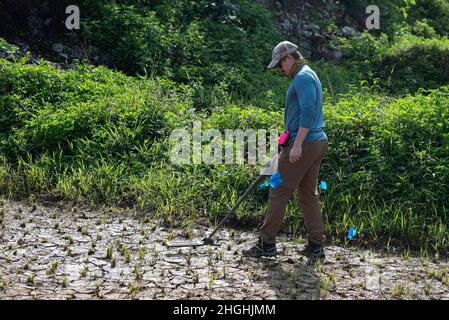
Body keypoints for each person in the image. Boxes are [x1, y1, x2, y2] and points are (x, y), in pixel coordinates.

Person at [243, 40, 328, 260]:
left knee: (278, 190)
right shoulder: (309, 75)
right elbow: (302, 112)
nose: (281, 70)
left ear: (289, 58)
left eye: (280, 65)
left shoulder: (302, 78)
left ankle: (266, 244)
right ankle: (316, 246)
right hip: (315, 142)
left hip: (306, 143)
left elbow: (309, 111)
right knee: (308, 194)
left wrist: (297, 143)